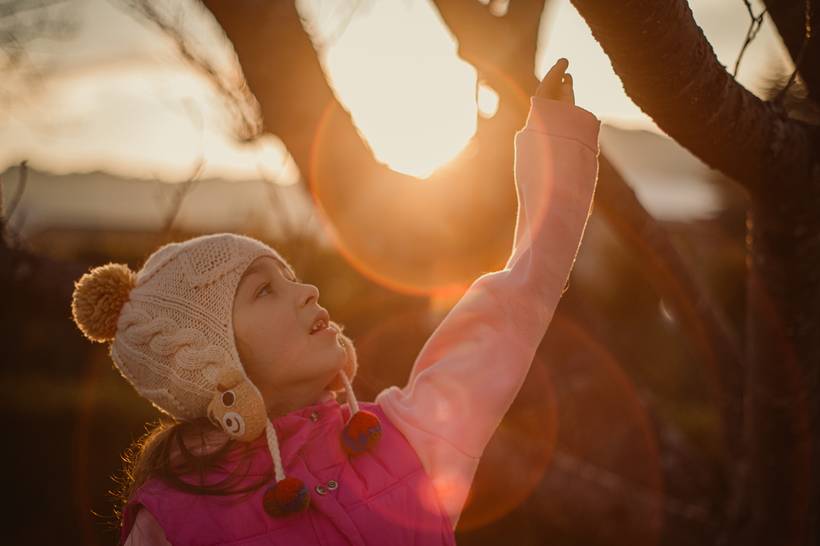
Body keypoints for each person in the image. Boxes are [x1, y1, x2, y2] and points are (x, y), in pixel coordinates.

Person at [70, 57, 599, 545]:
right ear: (211, 363)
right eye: (263, 290)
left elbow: (516, 301)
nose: (307, 292)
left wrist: (553, 142)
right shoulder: (169, 521)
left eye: (290, 277)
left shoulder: (411, 438)